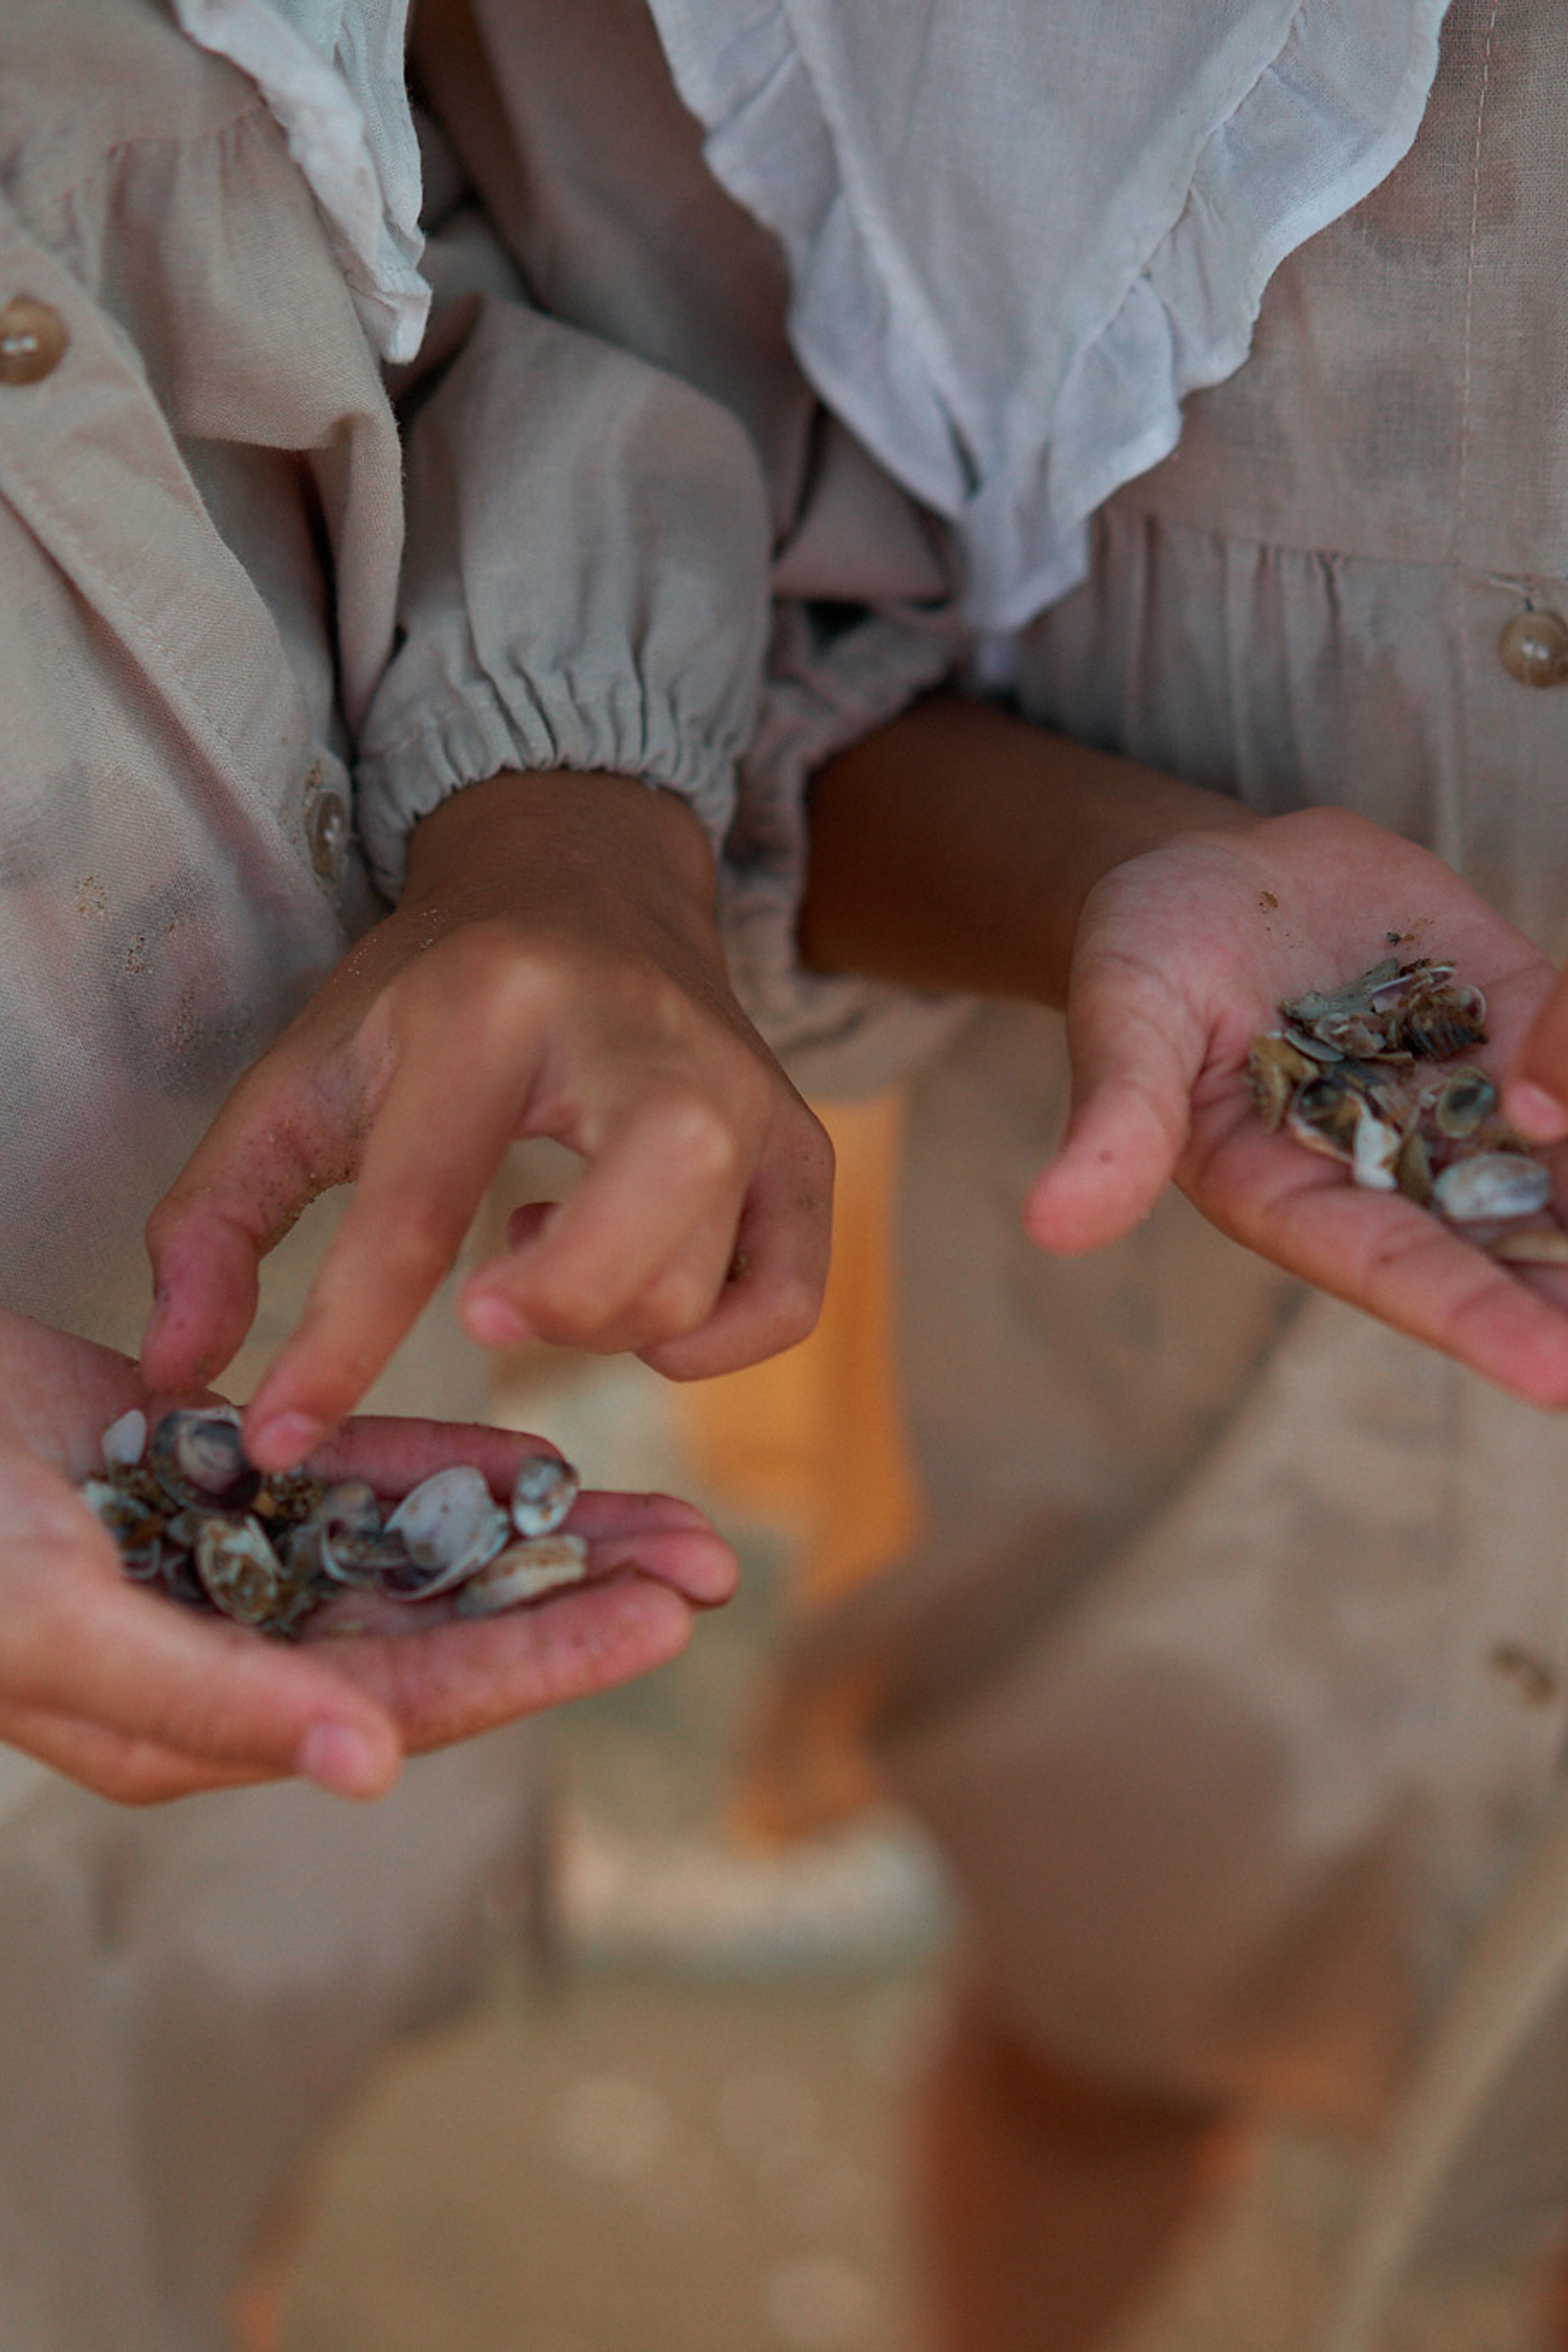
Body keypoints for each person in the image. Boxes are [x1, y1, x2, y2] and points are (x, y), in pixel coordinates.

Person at [119, 1, 1568, 2344]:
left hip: (1154, 1276)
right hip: (1141, 1389)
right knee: (1102, 2003)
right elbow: (700, 548)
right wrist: (1078, 876)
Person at [0, 5, 740, 2345]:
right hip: (252, 1381)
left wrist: (566, 825)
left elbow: (490, 210)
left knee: (206, 2132)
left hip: (318, 1295)